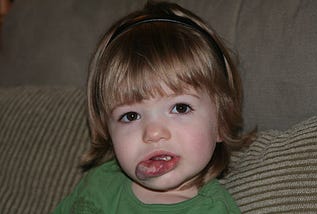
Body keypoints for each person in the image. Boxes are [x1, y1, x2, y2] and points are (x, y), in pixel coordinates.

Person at [53, 1, 255, 213]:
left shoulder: (213, 209)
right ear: (108, 132)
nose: (154, 132)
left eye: (180, 108)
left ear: (221, 123)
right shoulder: (99, 185)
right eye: (130, 116)